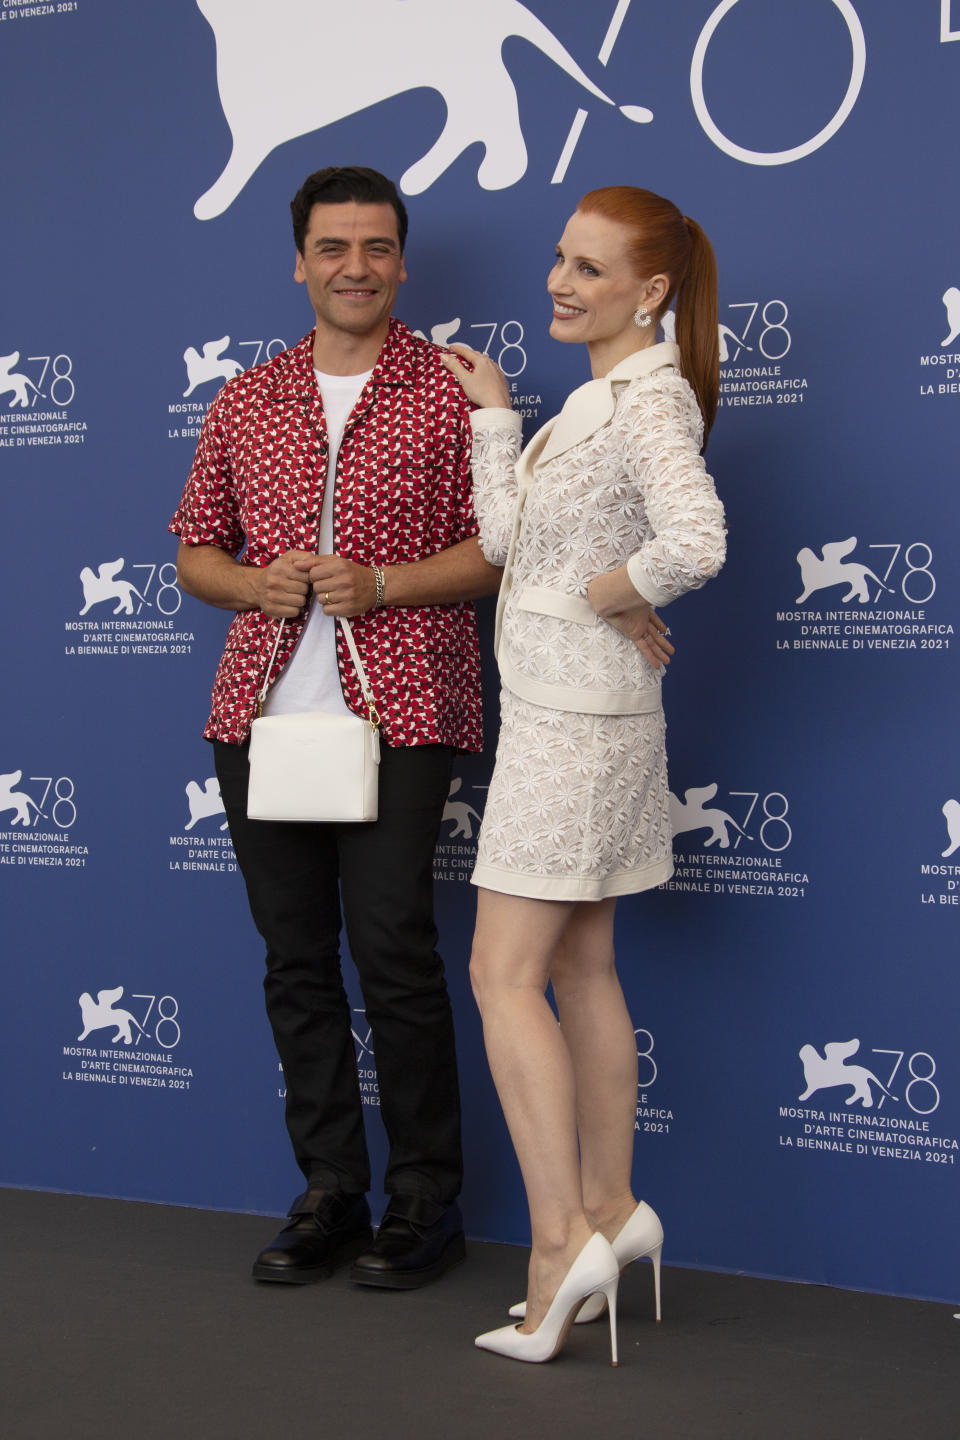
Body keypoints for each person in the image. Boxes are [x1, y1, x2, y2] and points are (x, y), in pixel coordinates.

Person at [170, 166, 501, 1290]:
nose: (353, 267)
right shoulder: (246, 397)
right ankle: (329, 1193)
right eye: (332, 247)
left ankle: (424, 1201)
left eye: (374, 247)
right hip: (261, 716)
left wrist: (389, 583)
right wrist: (251, 586)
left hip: (405, 712)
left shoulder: (456, 393)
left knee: (397, 955)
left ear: (403, 262)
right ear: (300, 262)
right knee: (296, 963)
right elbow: (193, 549)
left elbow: (501, 549)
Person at [441, 186, 726, 1362]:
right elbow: (509, 546)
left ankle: (560, 1247)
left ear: (649, 292)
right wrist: (499, 419)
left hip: (570, 729)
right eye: (560, 258)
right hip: (590, 717)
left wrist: (618, 592)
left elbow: (694, 541)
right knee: (582, 963)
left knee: (504, 975)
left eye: (590, 269)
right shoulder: (598, 396)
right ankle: (611, 1211)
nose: (560, 281)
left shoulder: (650, 401)